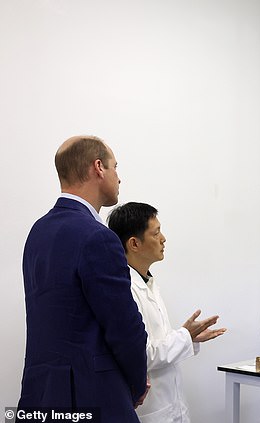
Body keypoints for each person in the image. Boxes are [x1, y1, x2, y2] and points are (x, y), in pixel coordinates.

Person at [19, 136, 149, 421]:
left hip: (39, 395)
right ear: (99, 167)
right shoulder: (98, 237)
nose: (119, 177)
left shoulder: (37, 233)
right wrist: (138, 383)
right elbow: (124, 328)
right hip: (91, 396)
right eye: (116, 167)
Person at [108, 202, 227, 423]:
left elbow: (158, 342)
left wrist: (188, 339)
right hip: (150, 412)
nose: (164, 239)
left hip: (170, 407)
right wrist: (184, 336)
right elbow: (140, 355)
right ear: (134, 243)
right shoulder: (126, 291)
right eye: (156, 233)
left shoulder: (148, 283)